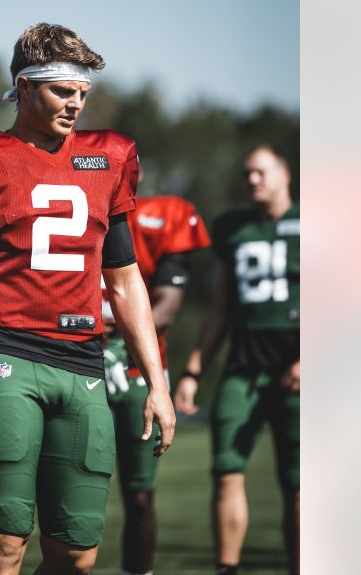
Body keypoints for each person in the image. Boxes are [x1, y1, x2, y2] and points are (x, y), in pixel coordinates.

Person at [0, 23, 176, 575]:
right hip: (5, 352)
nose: (75, 105)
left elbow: (124, 281)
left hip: (84, 361)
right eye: (61, 91)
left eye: (82, 94)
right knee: (4, 549)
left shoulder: (109, 159)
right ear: (23, 87)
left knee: (77, 555)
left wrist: (158, 384)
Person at [175, 146, 300, 575]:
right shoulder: (232, 228)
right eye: (247, 173)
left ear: (285, 175)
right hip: (244, 367)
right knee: (226, 469)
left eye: (261, 172)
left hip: (296, 369)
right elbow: (219, 309)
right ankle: (227, 569)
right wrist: (193, 370)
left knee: (299, 484)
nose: (252, 180)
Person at [100, 195, 210, 575]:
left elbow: (169, 302)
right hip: (71, 363)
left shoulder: (161, 216)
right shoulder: (53, 195)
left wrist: (120, 327)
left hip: (136, 372)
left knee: (140, 494)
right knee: (66, 493)